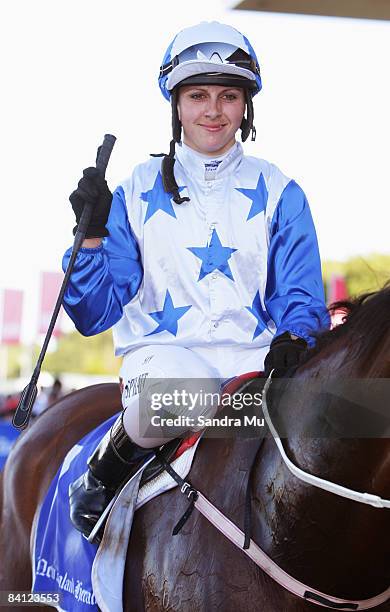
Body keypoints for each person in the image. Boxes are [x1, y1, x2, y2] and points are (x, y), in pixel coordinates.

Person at [63, 21, 329, 540]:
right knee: (194, 392)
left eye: (229, 96)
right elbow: (94, 313)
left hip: (253, 368)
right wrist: (90, 240)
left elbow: (300, 293)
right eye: (198, 95)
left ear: (246, 107)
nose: (213, 110)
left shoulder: (281, 191)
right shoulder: (136, 188)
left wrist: (297, 337)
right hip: (162, 363)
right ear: (176, 105)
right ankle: (102, 473)